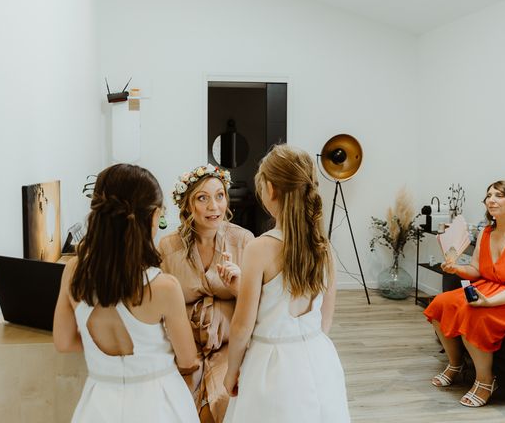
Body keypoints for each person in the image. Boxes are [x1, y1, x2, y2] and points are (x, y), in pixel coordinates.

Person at [53, 163, 199, 422]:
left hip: (99, 402)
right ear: (153, 216)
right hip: (159, 402)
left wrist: (104, 359)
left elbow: (63, 342)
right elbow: (188, 358)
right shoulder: (164, 287)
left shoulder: (73, 270)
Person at [222, 144, 351, 422]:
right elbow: (324, 319)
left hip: (272, 364)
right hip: (319, 357)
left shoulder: (260, 248)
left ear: (270, 190)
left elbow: (242, 326)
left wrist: (232, 370)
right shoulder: (323, 247)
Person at [424, 180, 505, 407]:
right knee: (441, 303)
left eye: (499, 195)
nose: (491, 199)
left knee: (474, 315)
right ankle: (455, 363)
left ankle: (485, 380)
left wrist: (489, 302)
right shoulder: (486, 232)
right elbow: (477, 270)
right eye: (489, 195)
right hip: (490, 286)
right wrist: (456, 269)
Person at [158, 163, 254, 423]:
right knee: (175, 404)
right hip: (183, 349)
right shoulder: (168, 247)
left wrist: (239, 285)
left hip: (229, 347)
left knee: (225, 401)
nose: (214, 206)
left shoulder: (244, 242)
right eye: (203, 198)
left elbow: (260, 304)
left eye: (219, 196)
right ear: (188, 205)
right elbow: (157, 307)